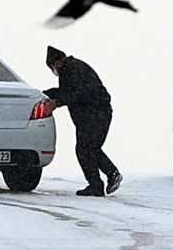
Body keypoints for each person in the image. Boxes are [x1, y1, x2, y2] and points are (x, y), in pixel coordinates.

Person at [43, 46, 122, 196]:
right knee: (91, 148)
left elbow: (78, 93)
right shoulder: (70, 70)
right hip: (94, 114)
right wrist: (45, 94)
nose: (53, 70)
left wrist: (57, 103)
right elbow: (66, 92)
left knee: (84, 149)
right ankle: (111, 175)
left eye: (52, 66)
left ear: (58, 61)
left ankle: (96, 185)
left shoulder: (74, 70)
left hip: (95, 114)